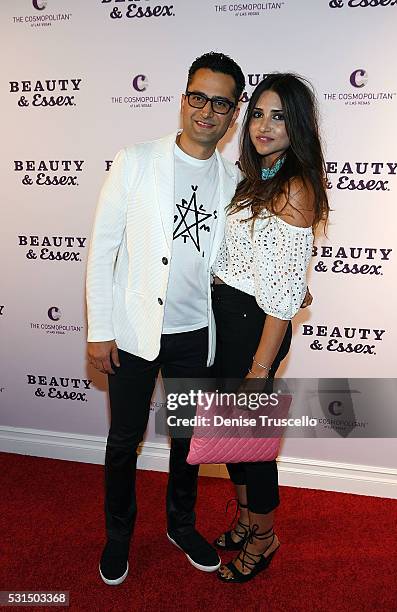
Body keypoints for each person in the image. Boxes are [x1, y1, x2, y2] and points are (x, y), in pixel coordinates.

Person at [86, 52, 246, 585]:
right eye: (198, 97)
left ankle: (181, 525)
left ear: (233, 113)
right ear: (183, 99)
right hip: (132, 333)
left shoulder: (234, 178)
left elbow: (241, 258)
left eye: (221, 102)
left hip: (196, 337)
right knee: (122, 440)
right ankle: (118, 536)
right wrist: (99, 330)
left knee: (187, 442)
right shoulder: (135, 159)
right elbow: (103, 248)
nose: (207, 111)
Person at [212, 72, 329, 583]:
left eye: (278, 115)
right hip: (227, 320)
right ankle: (244, 520)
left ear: (297, 125)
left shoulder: (294, 186)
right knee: (231, 438)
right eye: (257, 112)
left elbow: (282, 297)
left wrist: (260, 370)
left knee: (252, 444)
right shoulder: (257, 175)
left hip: (252, 330)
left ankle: (264, 535)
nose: (264, 125)